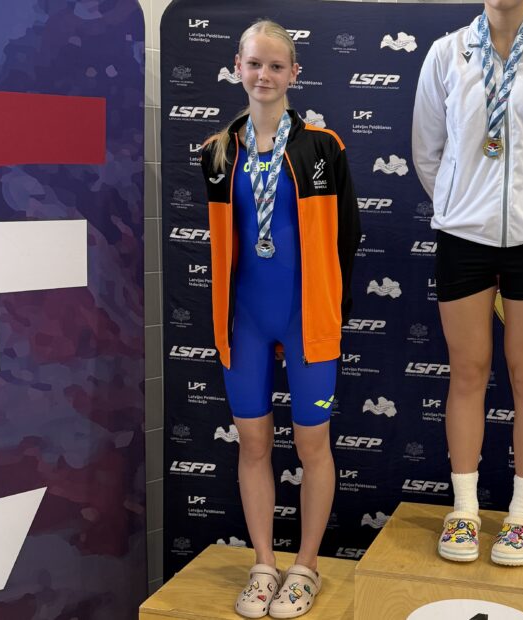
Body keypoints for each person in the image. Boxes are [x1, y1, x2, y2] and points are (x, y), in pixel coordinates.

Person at [411, 0, 523, 566]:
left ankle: (521, 516)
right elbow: (427, 151)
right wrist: (461, 206)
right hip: (462, 239)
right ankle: (465, 510)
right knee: (467, 372)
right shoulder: (447, 53)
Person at [200, 19, 360, 619]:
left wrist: (331, 315)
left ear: (294, 73)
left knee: (313, 444)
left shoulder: (323, 147)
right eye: (254, 64)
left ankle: (306, 566)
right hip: (244, 321)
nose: (263, 75)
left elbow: (348, 239)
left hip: (307, 319)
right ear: (236, 68)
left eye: (275, 65)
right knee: (254, 444)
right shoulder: (218, 152)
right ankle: (265, 564)